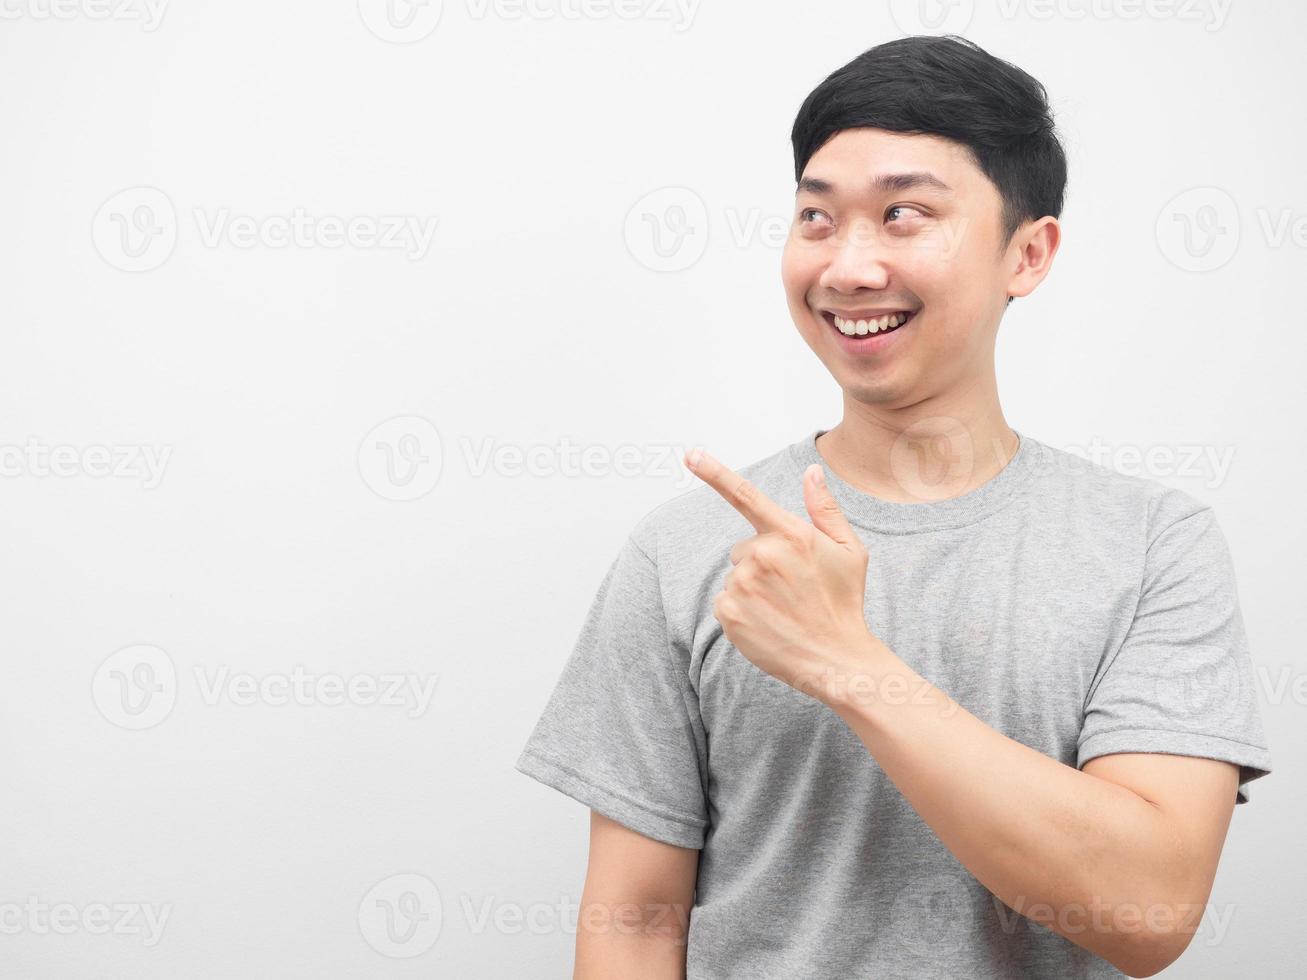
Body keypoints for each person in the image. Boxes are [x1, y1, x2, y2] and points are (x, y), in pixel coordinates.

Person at [515, 33, 1272, 979]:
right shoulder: (688, 549)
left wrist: (847, 664)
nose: (848, 267)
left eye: (903, 215)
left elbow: (1148, 913)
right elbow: (631, 918)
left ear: (1027, 254)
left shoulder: (1153, 544)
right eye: (817, 218)